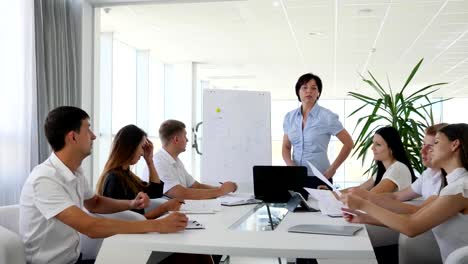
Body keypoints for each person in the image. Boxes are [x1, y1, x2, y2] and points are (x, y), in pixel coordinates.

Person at [19, 106, 188, 264]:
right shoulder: (45, 179)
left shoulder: (76, 172)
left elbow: (95, 203)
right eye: (88, 129)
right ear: (73, 137)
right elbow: (90, 227)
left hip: (76, 259)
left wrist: (131, 204)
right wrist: (157, 225)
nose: (93, 136)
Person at [342, 123, 468, 262]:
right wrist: (363, 217)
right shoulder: (454, 185)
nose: (428, 150)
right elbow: (415, 216)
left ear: (454, 145)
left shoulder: (460, 188)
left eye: (436, 143)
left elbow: (411, 226)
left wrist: (363, 205)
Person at [349, 123, 447, 213]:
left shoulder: (398, 168)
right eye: (423, 144)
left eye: (431, 147)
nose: (422, 150)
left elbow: (417, 212)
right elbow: (396, 196)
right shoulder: (428, 174)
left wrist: (364, 201)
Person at [96, 124, 183, 219]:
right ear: (131, 147)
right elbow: (130, 222)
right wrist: (164, 208)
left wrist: (149, 161)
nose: (142, 153)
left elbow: (155, 192)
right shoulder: (114, 179)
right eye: (142, 147)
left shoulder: (126, 174)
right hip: (126, 232)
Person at [282, 73, 353, 187]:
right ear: (298, 91)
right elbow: (286, 147)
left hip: (320, 176)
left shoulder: (327, 117)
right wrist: (290, 166)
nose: (309, 91)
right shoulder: (289, 117)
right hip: (296, 176)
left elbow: (349, 143)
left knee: (320, 205)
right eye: (304, 87)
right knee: (296, 205)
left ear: (318, 93)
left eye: (313, 88)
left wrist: (333, 169)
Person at [147, 119, 237, 199]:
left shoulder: (176, 161)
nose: (187, 140)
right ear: (176, 139)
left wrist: (223, 188)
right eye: (185, 136)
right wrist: (220, 192)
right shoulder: (159, 162)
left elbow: (195, 186)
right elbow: (179, 193)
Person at [346, 126, 416, 194]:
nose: (372, 148)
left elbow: (371, 196)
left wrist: (341, 197)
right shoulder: (386, 170)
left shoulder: (398, 168)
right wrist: (336, 194)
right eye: (373, 143)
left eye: (378, 144)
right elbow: (359, 188)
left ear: (391, 149)